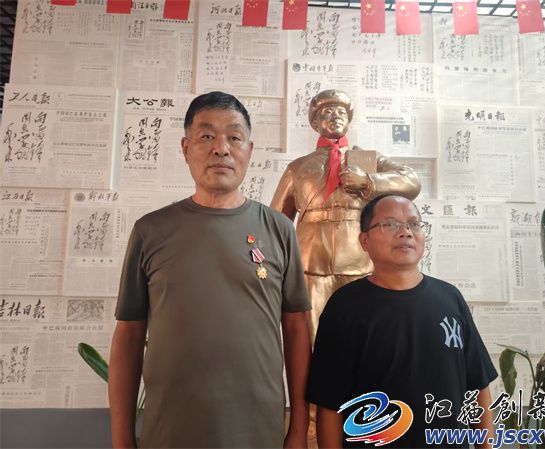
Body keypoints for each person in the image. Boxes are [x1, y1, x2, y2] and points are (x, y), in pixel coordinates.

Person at [108, 91, 311, 449]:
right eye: (206, 136)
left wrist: (298, 428)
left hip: (258, 431)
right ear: (186, 148)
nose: (221, 149)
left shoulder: (278, 229)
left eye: (234, 137)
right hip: (169, 432)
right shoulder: (150, 231)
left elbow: (296, 329)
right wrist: (122, 439)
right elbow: (129, 335)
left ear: (249, 150)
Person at [307, 194, 498, 449]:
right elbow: (330, 406)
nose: (405, 232)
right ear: (364, 241)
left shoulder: (450, 298)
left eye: (413, 224)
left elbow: (478, 386)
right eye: (390, 224)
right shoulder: (345, 307)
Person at [270, 90, 421, 342]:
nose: (335, 116)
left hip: (359, 262)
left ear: (349, 120)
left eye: (341, 112)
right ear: (315, 122)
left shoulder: (367, 159)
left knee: (364, 337)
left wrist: (369, 181)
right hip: (311, 265)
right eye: (327, 112)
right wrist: (279, 271)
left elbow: (411, 181)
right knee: (314, 338)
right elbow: (276, 222)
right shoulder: (297, 167)